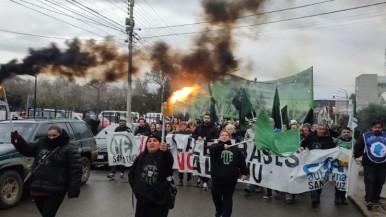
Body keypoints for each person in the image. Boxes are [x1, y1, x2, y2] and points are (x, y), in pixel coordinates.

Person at [10, 125, 81, 217]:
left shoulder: (70, 148)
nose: (51, 138)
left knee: (48, 215)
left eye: (54, 135)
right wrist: (18, 140)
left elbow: (75, 170)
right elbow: (27, 149)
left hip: (56, 189)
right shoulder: (41, 143)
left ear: (60, 134)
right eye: (49, 135)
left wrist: (74, 189)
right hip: (37, 187)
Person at [128, 134, 174, 217]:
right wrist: (136, 189)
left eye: (155, 140)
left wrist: (166, 152)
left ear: (160, 144)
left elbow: (169, 163)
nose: (151, 142)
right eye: (149, 141)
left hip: (159, 202)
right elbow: (131, 174)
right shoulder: (141, 157)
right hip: (142, 202)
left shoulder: (164, 156)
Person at [209, 130, 249, 217]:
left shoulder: (236, 150)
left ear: (229, 137)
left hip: (230, 179)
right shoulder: (214, 146)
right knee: (216, 197)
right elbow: (212, 150)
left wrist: (244, 173)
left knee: (227, 198)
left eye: (226, 135)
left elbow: (242, 161)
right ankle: (219, 210)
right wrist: (223, 146)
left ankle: (226, 215)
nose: (224, 136)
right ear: (219, 137)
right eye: (222, 135)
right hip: (217, 178)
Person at [301, 123, 336, 207]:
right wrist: (303, 149)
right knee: (313, 179)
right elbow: (303, 144)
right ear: (316, 129)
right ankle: (314, 197)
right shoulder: (310, 136)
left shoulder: (328, 138)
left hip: (323, 163)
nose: (321, 131)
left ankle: (317, 196)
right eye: (319, 129)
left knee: (319, 179)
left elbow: (333, 149)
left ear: (325, 130)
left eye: (323, 129)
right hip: (312, 162)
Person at [354, 121, 386, 210]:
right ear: (372, 128)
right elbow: (358, 147)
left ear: (382, 128)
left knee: (380, 181)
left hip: (383, 164)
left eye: (379, 127)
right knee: (370, 181)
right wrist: (354, 154)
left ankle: (376, 199)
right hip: (369, 164)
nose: (377, 129)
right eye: (375, 127)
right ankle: (369, 200)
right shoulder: (365, 136)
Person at [192, 114, 218, 191]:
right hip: (199, 149)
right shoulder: (199, 127)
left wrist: (208, 138)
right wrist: (197, 137)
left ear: (210, 119)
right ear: (203, 118)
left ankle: (205, 182)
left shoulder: (214, 128)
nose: (206, 119)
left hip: (208, 149)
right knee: (199, 163)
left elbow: (216, 137)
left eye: (208, 118)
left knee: (207, 164)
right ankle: (200, 177)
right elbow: (194, 134)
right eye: (205, 118)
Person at [335, 127, 352, 205]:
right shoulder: (337, 141)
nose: (346, 134)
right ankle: (337, 196)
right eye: (344, 132)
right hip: (339, 164)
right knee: (339, 180)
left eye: (348, 132)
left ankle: (344, 197)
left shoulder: (353, 141)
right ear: (341, 133)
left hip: (349, 165)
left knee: (346, 181)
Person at [175, 122, 192, 186]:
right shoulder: (178, 132)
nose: (183, 126)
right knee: (181, 165)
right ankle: (181, 179)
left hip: (188, 151)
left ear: (186, 126)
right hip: (180, 151)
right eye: (182, 125)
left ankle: (189, 177)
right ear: (181, 126)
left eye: (185, 125)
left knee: (188, 164)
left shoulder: (190, 132)